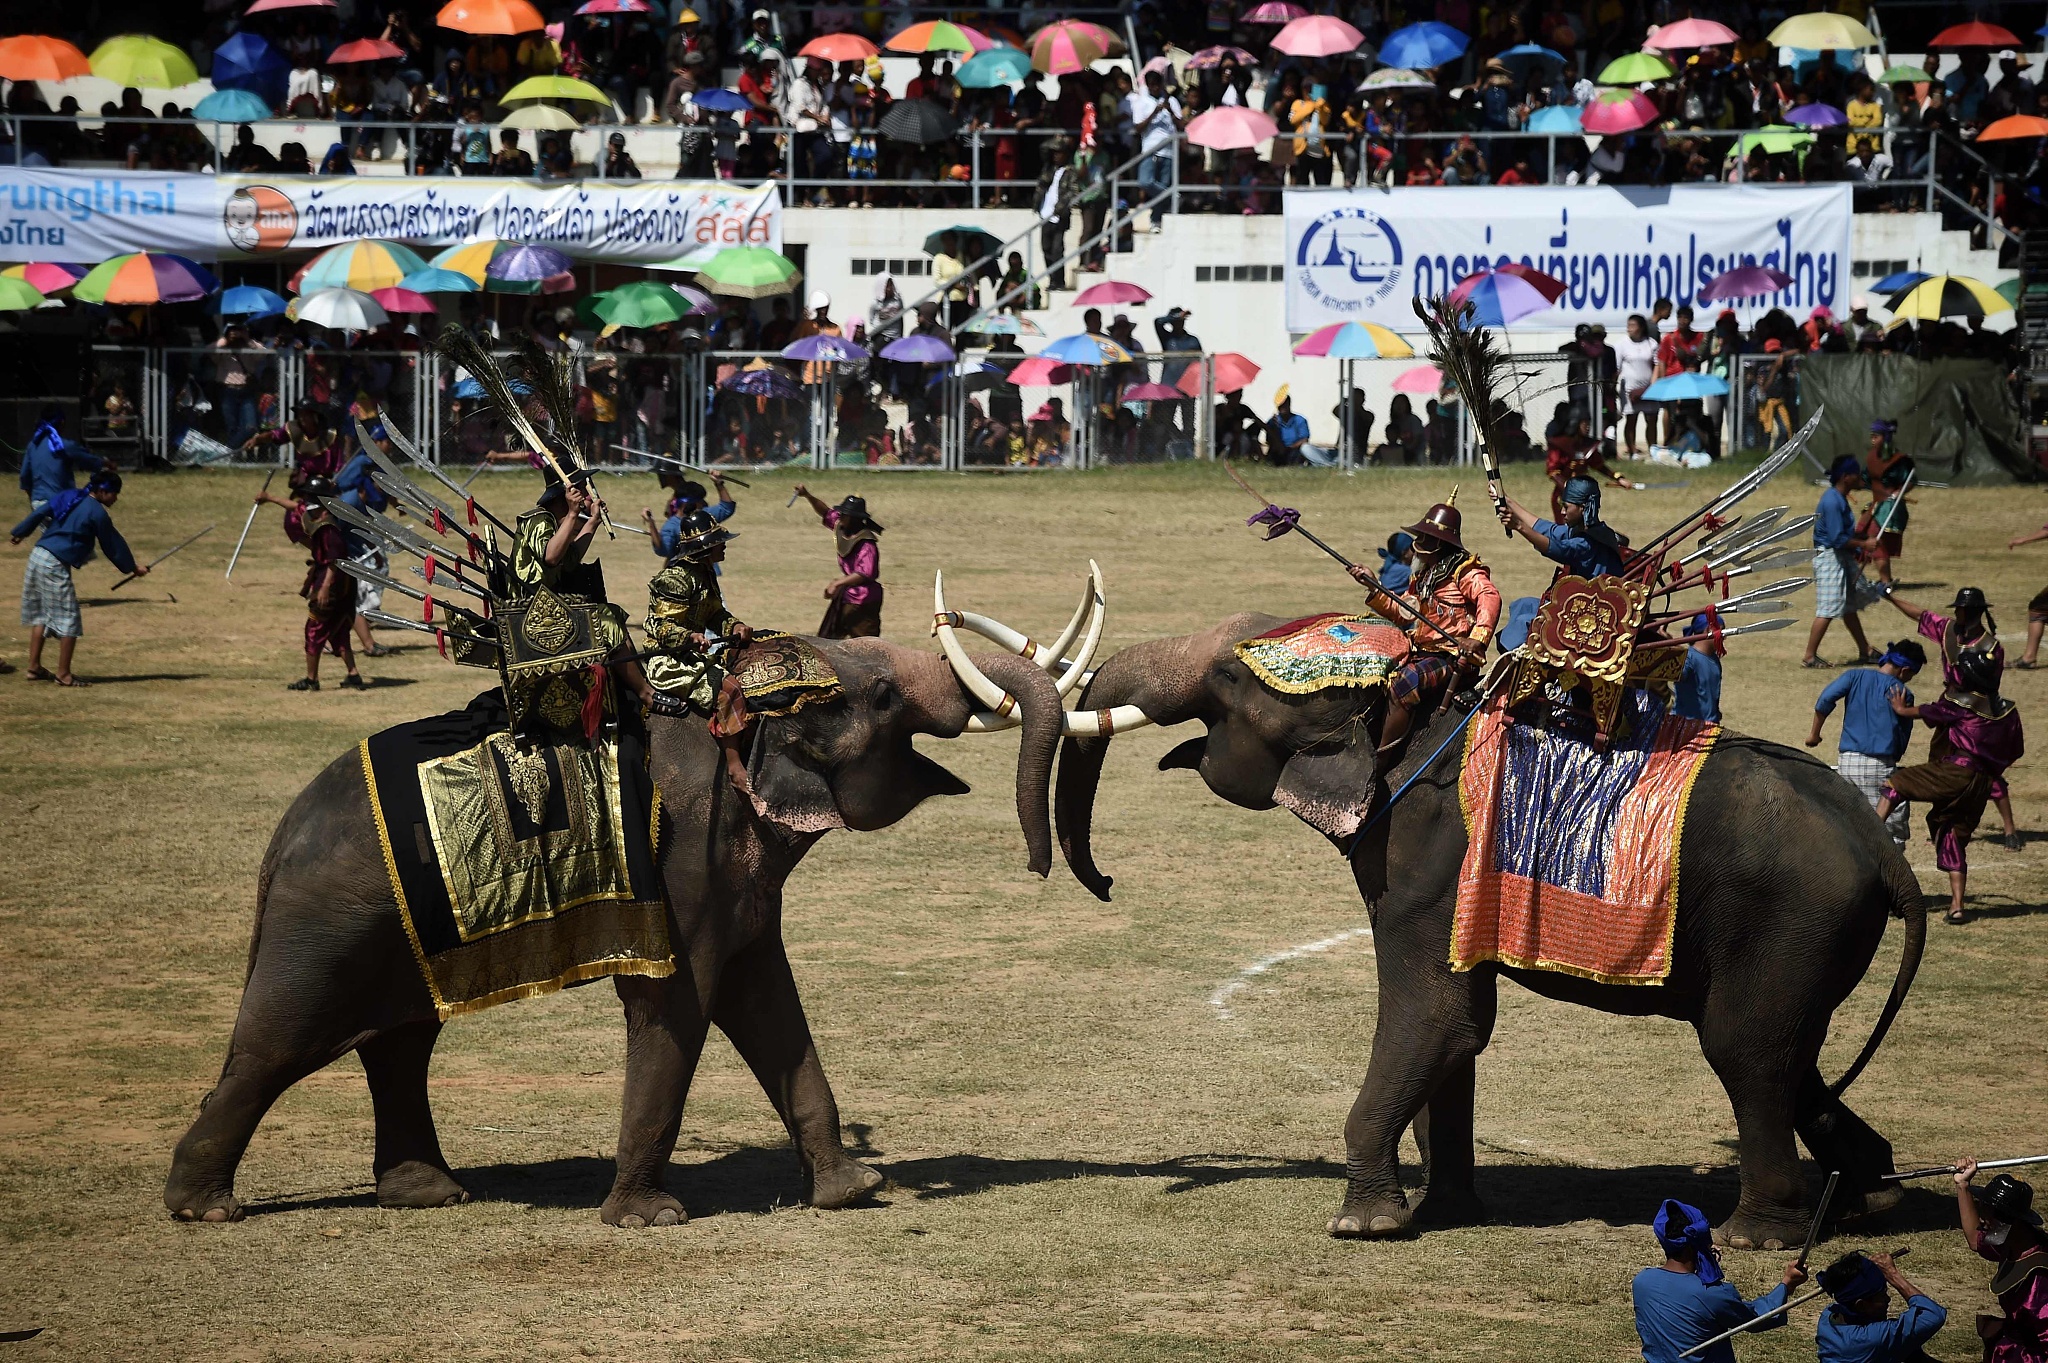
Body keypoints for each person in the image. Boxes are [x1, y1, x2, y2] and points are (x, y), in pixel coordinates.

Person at [1877, 649, 2024, 924]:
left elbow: (1929, 712)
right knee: (1952, 836)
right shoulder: (2007, 711)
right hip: (1982, 782)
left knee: (1895, 783)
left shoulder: (1962, 704)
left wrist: (1900, 709)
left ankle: (1871, 832)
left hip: (1955, 771)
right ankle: (1957, 908)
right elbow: (2016, 749)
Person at [1347, 493, 1500, 755]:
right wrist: (1373, 585)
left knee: (1405, 682)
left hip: (1450, 657)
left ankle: (1383, 755)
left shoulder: (1464, 572)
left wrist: (1476, 638)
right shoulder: (1425, 575)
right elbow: (1406, 612)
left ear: (1438, 543)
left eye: (1423, 538)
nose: (1416, 543)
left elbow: (1489, 597)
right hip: (1420, 649)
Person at [1879, 585, 2022, 851]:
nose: (1956, 612)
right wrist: (1889, 597)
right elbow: (1920, 615)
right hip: (1950, 706)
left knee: (1982, 769)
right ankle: (1944, 825)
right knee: (1943, 767)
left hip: (1977, 713)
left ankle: (2010, 829)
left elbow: (1989, 684)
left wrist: (1961, 708)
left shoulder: (1991, 647)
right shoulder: (1949, 630)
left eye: (1959, 608)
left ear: (1970, 612)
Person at [643, 509, 756, 792]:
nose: (725, 544)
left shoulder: (705, 573)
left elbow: (715, 614)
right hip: (669, 659)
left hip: (695, 653)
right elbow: (659, 625)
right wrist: (688, 636)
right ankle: (734, 767)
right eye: (720, 540)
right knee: (728, 689)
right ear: (705, 547)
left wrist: (735, 625)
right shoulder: (675, 579)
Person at [1631, 1198, 1804, 1363]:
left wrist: (1700, 1257)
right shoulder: (1713, 1294)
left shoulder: (1642, 1281)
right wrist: (1786, 1284)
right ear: (1694, 1245)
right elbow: (1757, 1319)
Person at [10, 470, 140, 687]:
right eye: (114, 493)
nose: (116, 498)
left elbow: (41, 511)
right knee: (68, 618)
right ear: (102, 491)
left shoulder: (70, 495)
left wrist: (21, 531)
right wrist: (132, 567)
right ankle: (64, 675)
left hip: (38, 555)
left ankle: (34, 667)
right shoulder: (97, 513)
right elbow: (112, 544)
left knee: (42, 613)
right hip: (54, 563)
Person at [1808, 640, 1927, 846]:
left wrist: (1814, 734)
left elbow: (1825, 700)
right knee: (1889, 828)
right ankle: (1887, 873)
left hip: (1846, 761)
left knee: (1849, 822)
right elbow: (1902, 735)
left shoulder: (1854, 676)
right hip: (1879, 764)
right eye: (1911, 675)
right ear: (1905, 670)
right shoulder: (1901, 693)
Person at [255, 476, 364, 692]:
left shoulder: (329, 528)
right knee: (339, 628)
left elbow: (334, 561)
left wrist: (324, 587)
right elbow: (297, 507)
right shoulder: (318, 515)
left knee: (314, 627)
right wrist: (270, 498)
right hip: (339, 580)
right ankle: (353, 674)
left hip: (332, 581)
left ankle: (311, 679)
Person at [1952, 1158, 2048, 1363]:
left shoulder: (2040, 1277)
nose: (1982, 1224)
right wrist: (1962, 1185)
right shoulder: (2012, 1245)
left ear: (2008, 1222)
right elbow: (1975, 1241)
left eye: (1986, 1217)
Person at [1804, 456, 1882, 668]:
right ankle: (1809, 657)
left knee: (1848, 607)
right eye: (1856, 474)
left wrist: (1860, 545)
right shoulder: (1832, 501)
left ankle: (1865, 650)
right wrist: (1864, 545)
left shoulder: (1839, 498)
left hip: (1838, 556)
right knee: (1828, 608)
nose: (1860, 477)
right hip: (1829, 557)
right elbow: (1837, 538)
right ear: (1847, 477)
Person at [1812, 1251, 1946, 1362]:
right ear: (1861, 1305)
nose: (1888, 1299)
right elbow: (1933, 1315)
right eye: (1882, 1295)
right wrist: (1892, 1274)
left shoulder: (1828, 1317)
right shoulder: (1871, 1338)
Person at [1496, 474, 1628, 578]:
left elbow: (1559, 549)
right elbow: (1547, 529)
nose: (1562, 512)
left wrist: (1519, 526)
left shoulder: (1587, 542)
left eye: (1566, 507)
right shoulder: (1589, 530)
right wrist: (1507, 501)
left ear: (1582, 508)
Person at [793, 485, 883, 636]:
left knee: (864, 645)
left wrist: (837, 583)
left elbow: (864, 573)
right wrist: (808, 495)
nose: (840, 516)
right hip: (846, 596)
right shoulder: (842, 526)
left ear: (854, 519)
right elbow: (826, 512)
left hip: (863, 600)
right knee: (831, 640)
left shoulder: (867, 544)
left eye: (844, 515)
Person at [17, 406, 109, 513]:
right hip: (60, 503)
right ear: (62, 423)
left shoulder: (32, 446)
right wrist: (106, 464)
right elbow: (91, 461)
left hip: (38, 505)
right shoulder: (64, 445)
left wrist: (35, 500)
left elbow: (24, 477)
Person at [644, 473, 735, 558]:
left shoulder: (705, 516)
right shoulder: (672, 526)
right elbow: (664, 550)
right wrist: (652, 524)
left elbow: (726, 508)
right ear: (691, 503)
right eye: (700, 502)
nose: (703, 504)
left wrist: (719, 484)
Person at [1674, 613, 1724, 723]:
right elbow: (1679, 674)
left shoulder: (1714, 659)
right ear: (1709, 629)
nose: (1724, 636)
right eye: (1722, 631)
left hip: (1710, 725)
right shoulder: (1689, 658)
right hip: (1687, 727)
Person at [1265, 386, 1331, 466]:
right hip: (1279, 450)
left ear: (1289, 404)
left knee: (1305, 448)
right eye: (1281, 405)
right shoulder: (1273, 421)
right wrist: (1274, 428)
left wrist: (1290, 447)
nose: (1283, 407)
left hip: (1295, 450)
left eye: (1285, 404)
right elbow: (1268, 440)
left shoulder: (1299, 420)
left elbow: (1305, 439)